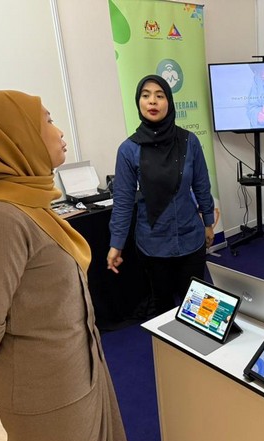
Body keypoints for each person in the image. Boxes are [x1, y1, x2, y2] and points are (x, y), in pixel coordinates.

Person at [0, 91, 131, 441]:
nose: (59, 131)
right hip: (46, 392)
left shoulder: (24, 201)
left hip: (72, 374)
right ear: (13, 135)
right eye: (47, 120)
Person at [108, 75, 215, 315]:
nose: (152, 101)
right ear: (138, 102)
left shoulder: (189, 141)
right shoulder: (129, 150)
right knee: (163, 309)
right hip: (153, 243)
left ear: (169, 102)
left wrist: (208, 223)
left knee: (196, 307)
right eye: (145, 96)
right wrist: (116, 244)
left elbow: (201, 185)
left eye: (159, 95)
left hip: (190, 237)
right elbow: (123, 202)